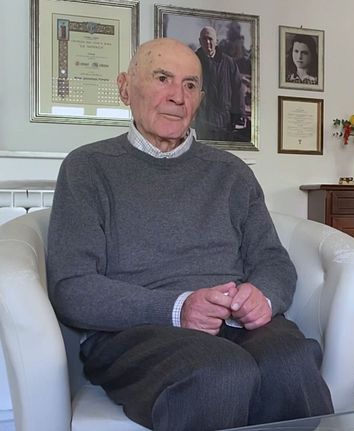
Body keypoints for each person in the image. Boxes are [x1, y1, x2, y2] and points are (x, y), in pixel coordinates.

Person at [46, 38, 333, 431]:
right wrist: (178, 308)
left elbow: (271, 259)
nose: (177, 97)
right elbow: (72, 287)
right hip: (137, 331)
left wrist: (263, 295)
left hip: (233, 320)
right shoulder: (88, 168)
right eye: (162, 78)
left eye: (190, 85)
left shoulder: (231, 173)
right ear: (125, 88)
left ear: (200, 98)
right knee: (219, 373)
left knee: (293, 364)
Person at [194, 26, 246, 141]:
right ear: (200, 41)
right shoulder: (193, 61)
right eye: (204, 39)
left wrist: (240, 115)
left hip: (224, 121)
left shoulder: (229, 63)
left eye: (210, 39)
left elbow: (238, 90)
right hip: (203, 121)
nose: (207, 42)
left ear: (216, 41)